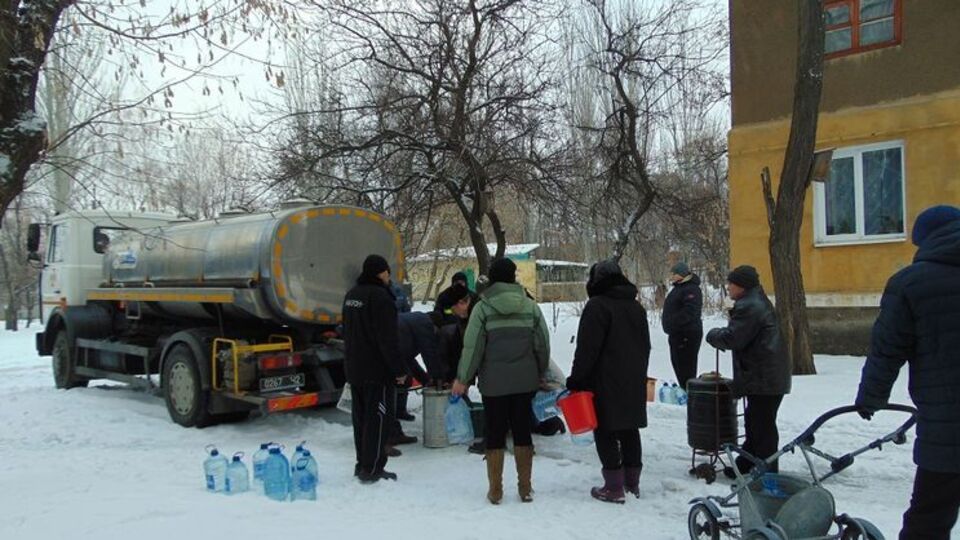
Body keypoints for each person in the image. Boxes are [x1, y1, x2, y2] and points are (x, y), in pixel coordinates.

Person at [854, 205, 960, 540]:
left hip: (949, 424)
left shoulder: (910, 283)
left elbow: (886, 350)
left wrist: (870, 397)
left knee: (929, 517)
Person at [452, 257, 550, 504]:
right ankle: (525, 488)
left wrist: (463, 379)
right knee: (521, 430)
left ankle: (495, 490)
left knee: (495, 431)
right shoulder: (530, 307)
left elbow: (472, 348)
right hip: (524, 381)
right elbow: (542, 345)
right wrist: (540, 372)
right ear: (513, 276)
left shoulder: (482, 309)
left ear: (492, 279)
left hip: (493, 384)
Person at [566, 260, 650, 504]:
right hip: (633, 377)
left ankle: (613, 487)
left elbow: (587, 349)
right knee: (629, 428)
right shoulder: (637, 308)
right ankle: (632, 483)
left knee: (605, 430)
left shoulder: (597, 306)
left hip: (603, 379)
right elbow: (645, 345)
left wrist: (577, 379)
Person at [706, 265, 791, 474]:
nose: (728, 287)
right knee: (755, 422)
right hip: (768, 375)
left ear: (741, 286)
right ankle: (747, 464)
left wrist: (713, 334)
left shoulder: (750, 306)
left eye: (731, 283)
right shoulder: (756, 301)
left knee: (762, 427)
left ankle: (768, 471)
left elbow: (733, 338)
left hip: (763, 377)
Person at [342, 254, 406, 484]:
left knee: (361, 420)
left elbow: (347, 332)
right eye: (388, 272)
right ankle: (372, 468)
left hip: (355, 369)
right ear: (381, 273)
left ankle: (362, 463)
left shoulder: (351, 296)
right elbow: (388, 340)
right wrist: (399, 370)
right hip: (377, 372)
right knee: (378, 420)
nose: (389, 277)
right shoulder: (381, 298)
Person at [661, 261, 703, 390]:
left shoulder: (691, 289)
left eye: (674, 273)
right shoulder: (679, 288)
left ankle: (689, 393)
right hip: (677, 335)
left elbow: (690, 311)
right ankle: (685, 390)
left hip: (686, 335)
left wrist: (673, 322)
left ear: (681, 274)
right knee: (678, 365)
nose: (671, 276)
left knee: (686, 367)